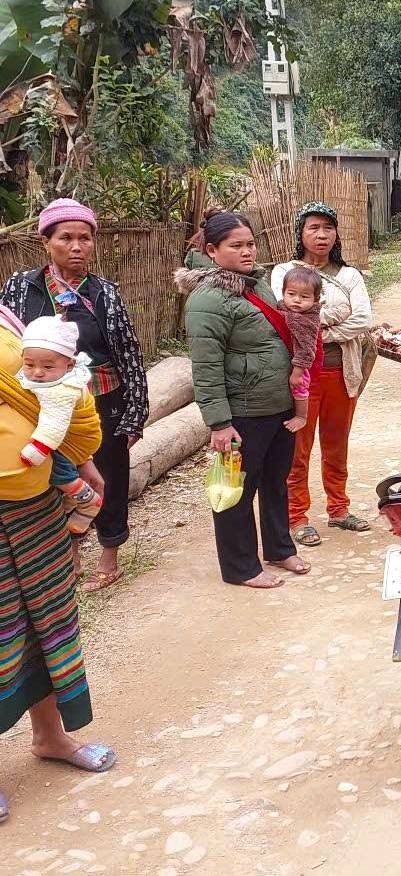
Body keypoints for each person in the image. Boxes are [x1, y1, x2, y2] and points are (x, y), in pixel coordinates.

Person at [0, 198, 149, 591]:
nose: (78, 246)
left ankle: (110, 554)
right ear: (46, 241)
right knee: (57, 478)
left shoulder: (105, 294)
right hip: (38, 402)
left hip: (100, 402)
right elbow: (7, 344)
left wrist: (135, 413)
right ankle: (70, 555)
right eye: (66, 237)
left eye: (85, 238)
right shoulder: (20, 288)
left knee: (109, 477)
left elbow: (128, 353)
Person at [0, 300, 110, 825]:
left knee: (47, 621)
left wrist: (83, 462)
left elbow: (46, 402)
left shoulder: (9, 322)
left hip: (36, 503)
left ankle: (50, 737)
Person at [182, 210, 310, 589]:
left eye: (250, 243)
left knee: (276, 480)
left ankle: (279, 548)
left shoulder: (257, 285)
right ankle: (241, 567)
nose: (247, 251)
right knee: (237, 491)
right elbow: (205, 366)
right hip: (242, 412)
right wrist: (219, 423)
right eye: (236, 245)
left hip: (278, 405)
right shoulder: (207, 300)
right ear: (211, 250)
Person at [271, 202, 374, 547]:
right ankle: (296, 515)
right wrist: (327, 317)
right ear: (301, 233)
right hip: (302, 377)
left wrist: (318, 330)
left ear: (336, 234)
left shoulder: (349, 276)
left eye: (328, 228)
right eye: (314, 227)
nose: (321, 235)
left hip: (341, 372)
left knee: (337, 443)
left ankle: (339, 509)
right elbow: (287, 314)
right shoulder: (284, 271)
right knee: (298, 447)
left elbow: (362, 320)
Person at [15, 316, 104, 534]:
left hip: (65, 440)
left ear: (70, 364)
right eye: (29, 364)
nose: (37, 372)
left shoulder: (61, 389)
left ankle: (88, 500)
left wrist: (38, 449)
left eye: (47, 366)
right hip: (64, 439)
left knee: (59, 473)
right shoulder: (45, 378)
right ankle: (72, 500)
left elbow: (53, 424)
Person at [275, 266, 333, 433]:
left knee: (300, 388)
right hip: (286, 360)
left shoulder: (307, 320)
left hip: (300, 365)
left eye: (304, 296)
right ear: (283, 292)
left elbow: (307, 350)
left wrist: (298, 371)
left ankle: (301, 416)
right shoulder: (283, 308)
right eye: (291, 294)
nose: (297, 300)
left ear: (316, 299)